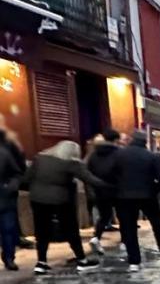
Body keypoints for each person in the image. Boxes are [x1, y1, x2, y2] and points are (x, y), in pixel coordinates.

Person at [24, 140, 108, 274]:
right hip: (61, 200)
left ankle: (41, 263)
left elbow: (27, 178)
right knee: (71, 229)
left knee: (41, 231)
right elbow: (90, 179)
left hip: (38, 199)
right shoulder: (71, 163)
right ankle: (82, 260)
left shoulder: (40, 158)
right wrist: (111, 186)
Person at [114, 130, 160, 271]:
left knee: (129, 228)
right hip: (148, 195)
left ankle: (134, 261)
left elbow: (111, 174)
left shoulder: (119, 155)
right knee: (157, 224)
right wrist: (154, 190)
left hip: (125, 197)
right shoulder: (152, 156)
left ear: (131, 140)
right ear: (145, 141)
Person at [87, 129, 121, 255]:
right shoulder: (118, 153)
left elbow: (88, 171)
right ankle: (125, 241)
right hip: (117, 189)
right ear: (116, 140)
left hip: (100, 190)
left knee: (104, 216)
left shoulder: (94, 154)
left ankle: (96, 237)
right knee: (123, 216)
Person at [0, 117, 25, 270]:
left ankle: (9, 257)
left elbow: (17, 172)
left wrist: (11, 187)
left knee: (7, 229)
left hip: (4, 196)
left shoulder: (4, 152)